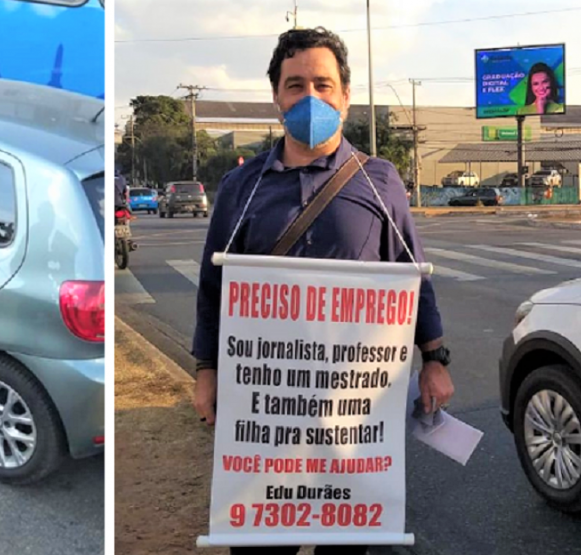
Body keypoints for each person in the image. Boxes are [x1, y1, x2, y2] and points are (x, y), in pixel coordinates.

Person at [190, 27, 455, 555]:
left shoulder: (379, 180)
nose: (310, 97)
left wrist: (434, 358)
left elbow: (409, 270)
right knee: (262, 542)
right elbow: (214, 284)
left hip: (353, 413)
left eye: (323, 84)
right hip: (266, 411)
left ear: (346, 96)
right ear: (276, 97)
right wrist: (206, 371)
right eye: (295, 85)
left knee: (345, 544)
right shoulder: (241, 189)